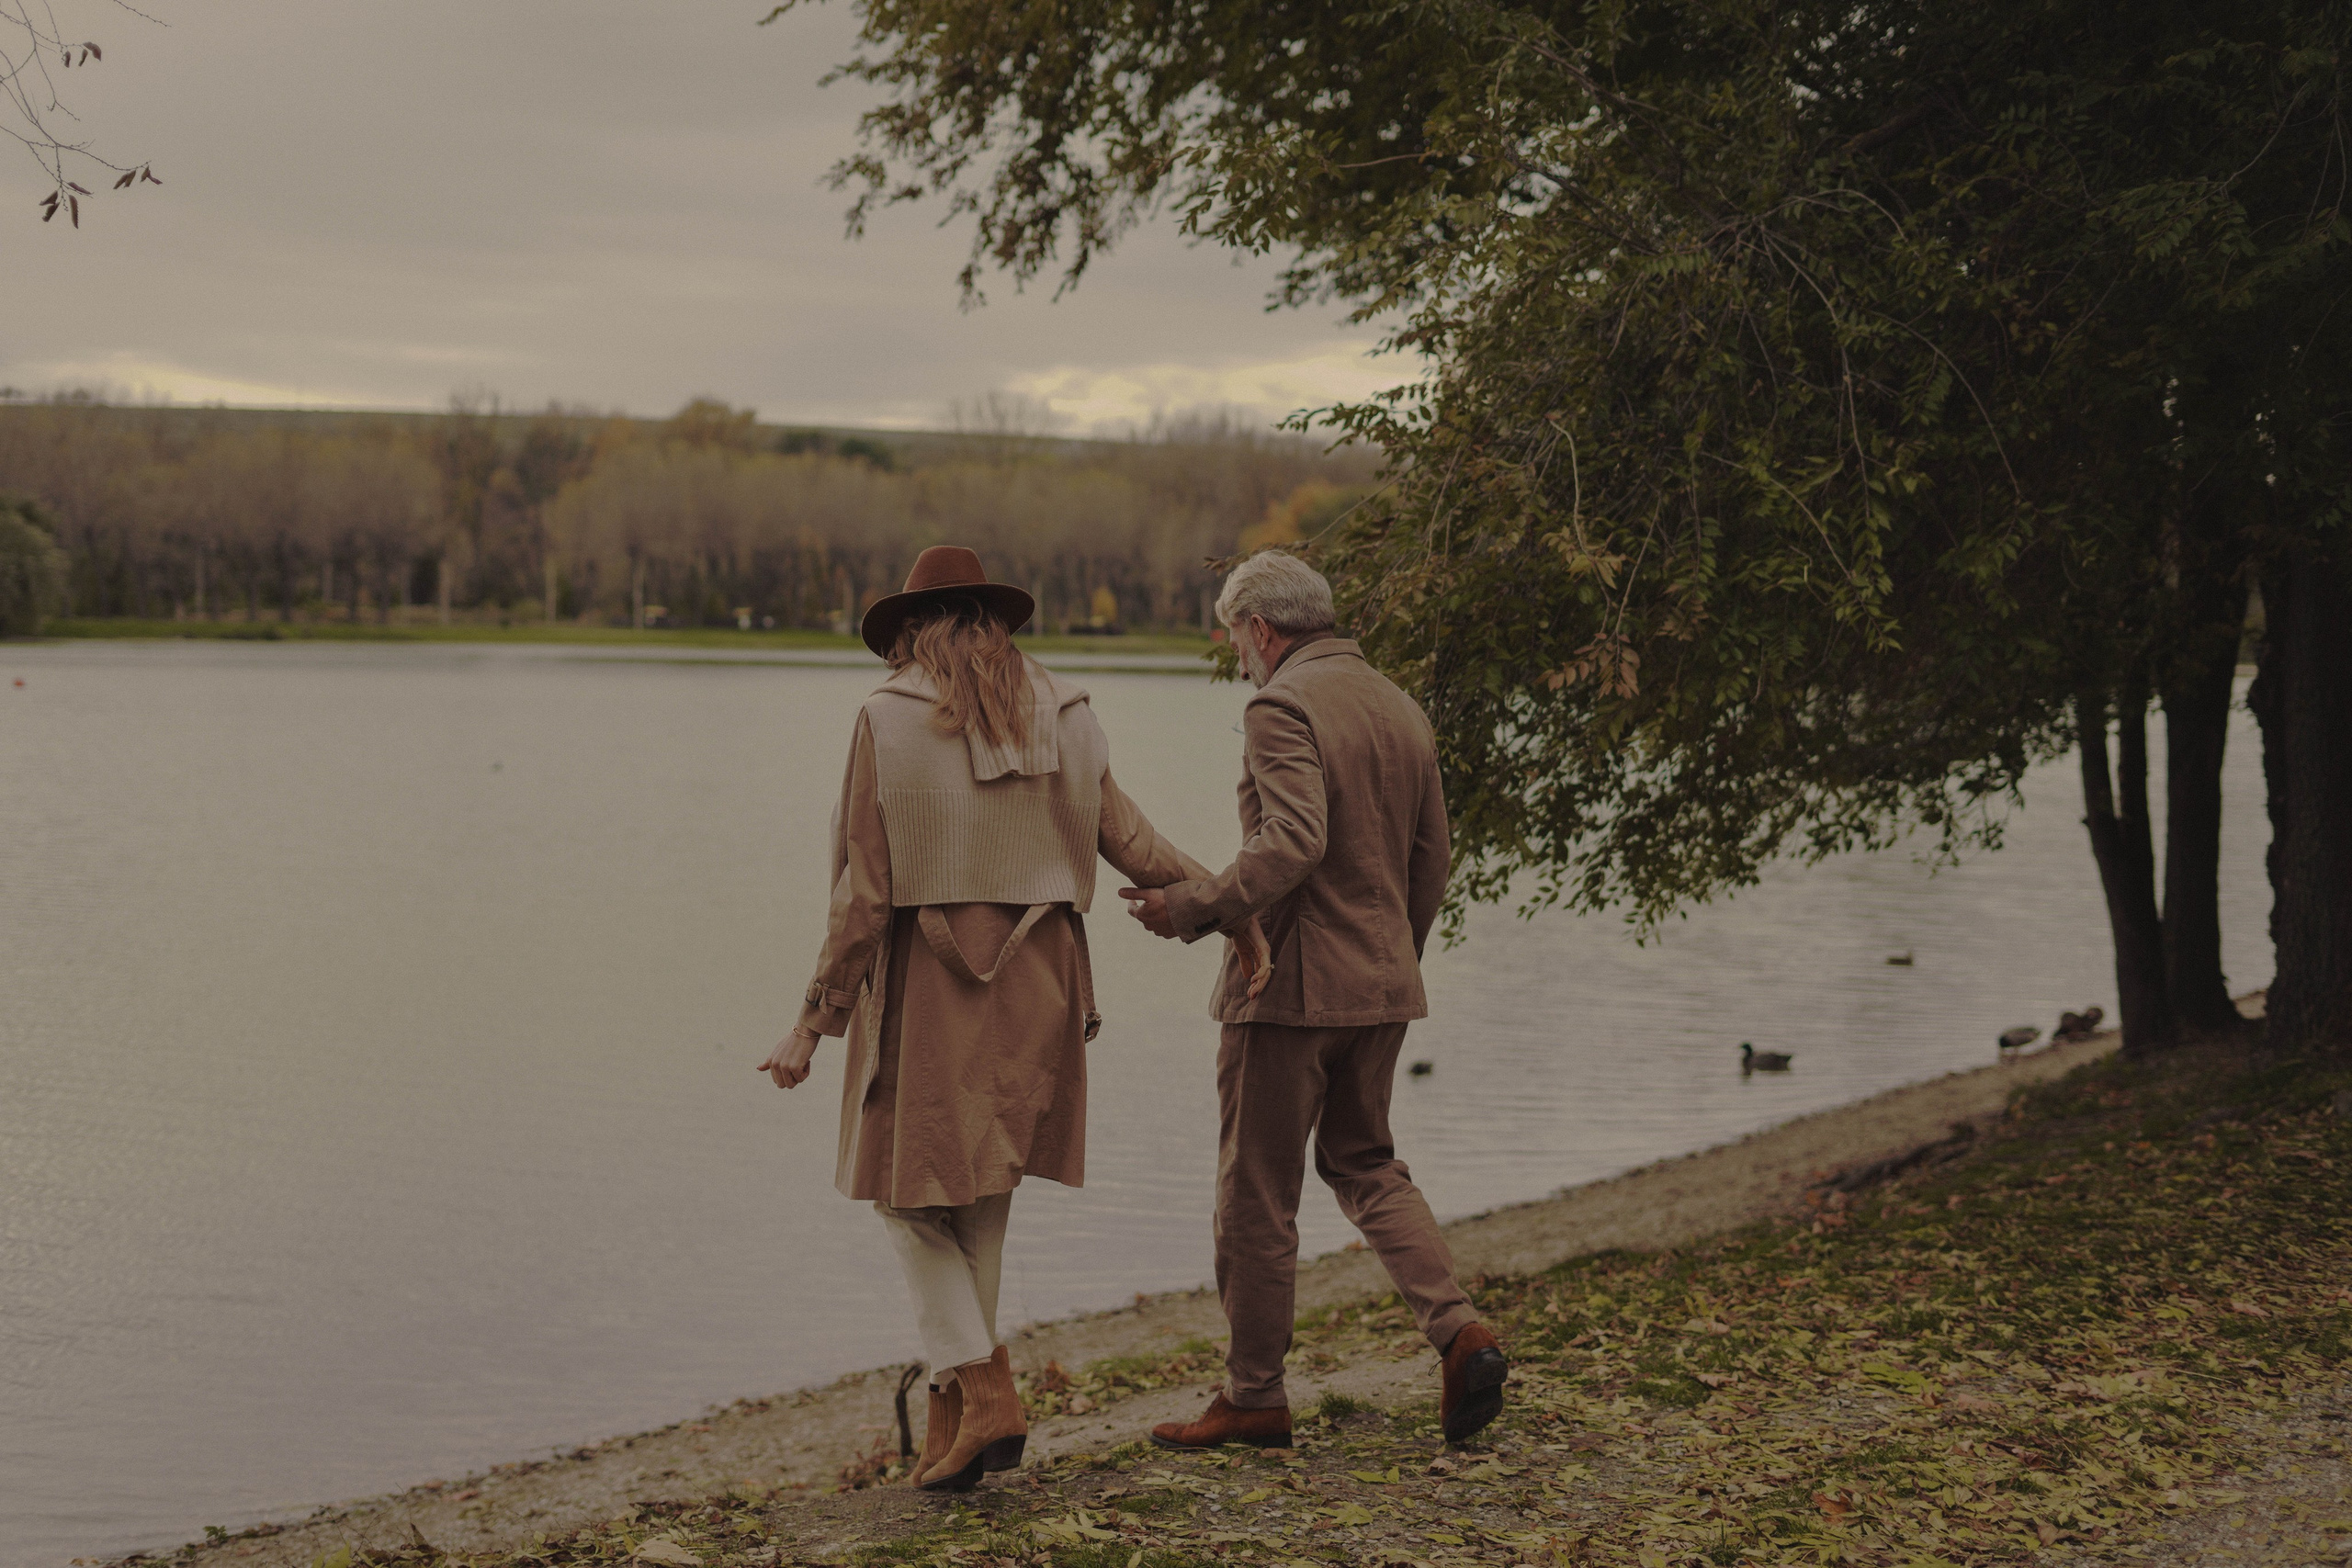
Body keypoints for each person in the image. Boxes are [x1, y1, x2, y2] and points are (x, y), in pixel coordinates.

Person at [759, 545, 1264, 1493]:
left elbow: (864, 894)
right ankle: (956, 1425)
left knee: (906, 1200)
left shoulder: (885, 716)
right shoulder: (1066, 711)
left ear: (910, 630)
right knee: (979, 1199)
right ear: (995, 624)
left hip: (932, 979)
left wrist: (811, 1021)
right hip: (1042, 975)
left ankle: (986, 1389)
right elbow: (1134, 842)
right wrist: (1229, 908)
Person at [1119, 551, 1508, 1450]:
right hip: (1379, 986)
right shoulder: (1398, 706)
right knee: (1367, 1163)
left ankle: (1253, 1396)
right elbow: (1431, 860)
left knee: (1257, 1194)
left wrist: (1193, 908)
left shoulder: (1280, 706)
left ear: (1259, 629)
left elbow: (1292, 840)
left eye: (1234, 637)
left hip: (1288, 989)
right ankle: (1459, 1332)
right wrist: (1389, 964)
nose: (1239, 656)